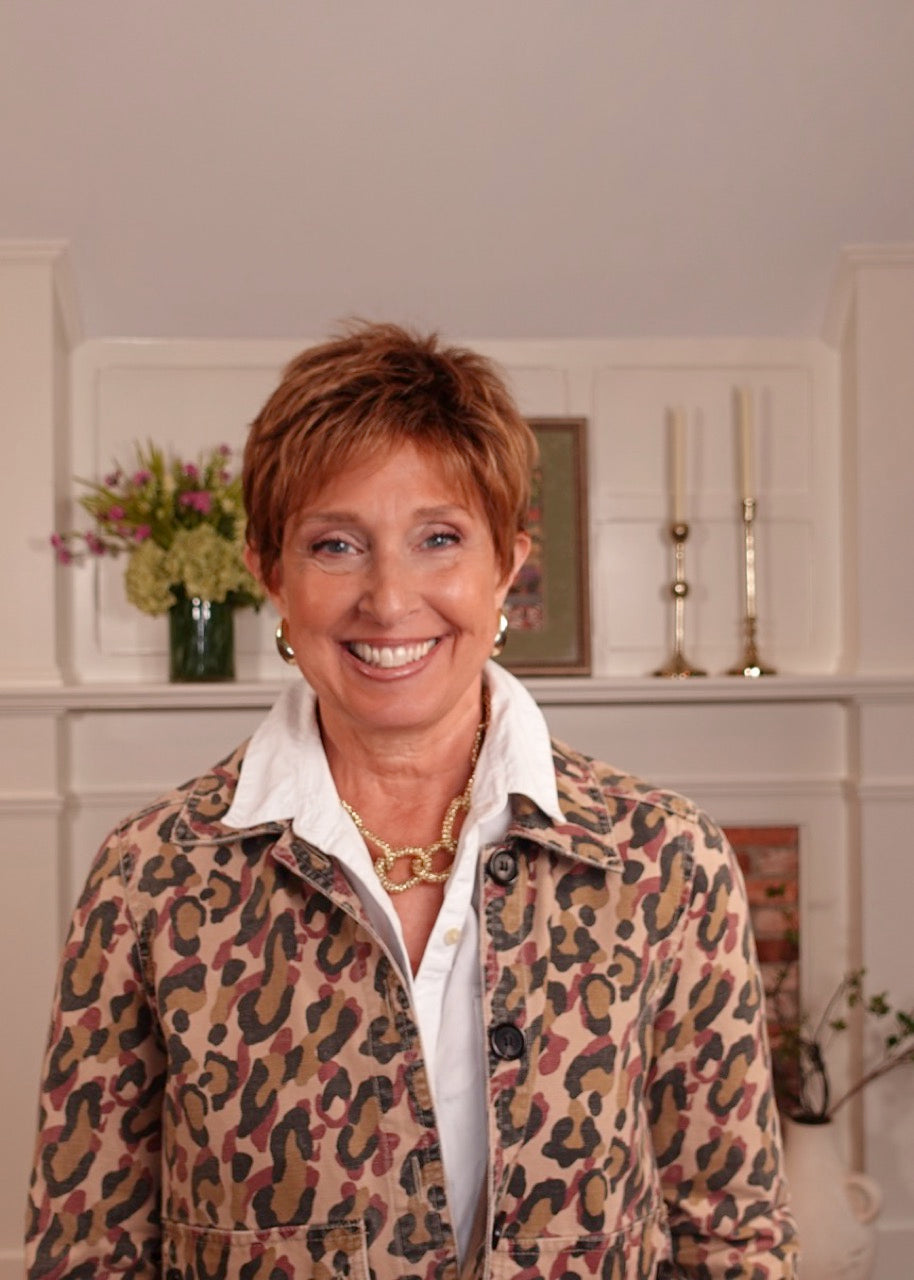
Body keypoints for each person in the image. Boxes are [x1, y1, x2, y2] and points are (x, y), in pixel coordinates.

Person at [26, 322, 797, 1280]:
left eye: (439, 539)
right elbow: (88, 1253)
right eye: (336, 544)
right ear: (270, 573)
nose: (389, 600)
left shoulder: (666, 862)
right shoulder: (150, 877)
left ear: (507, 564)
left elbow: (734, 1239)